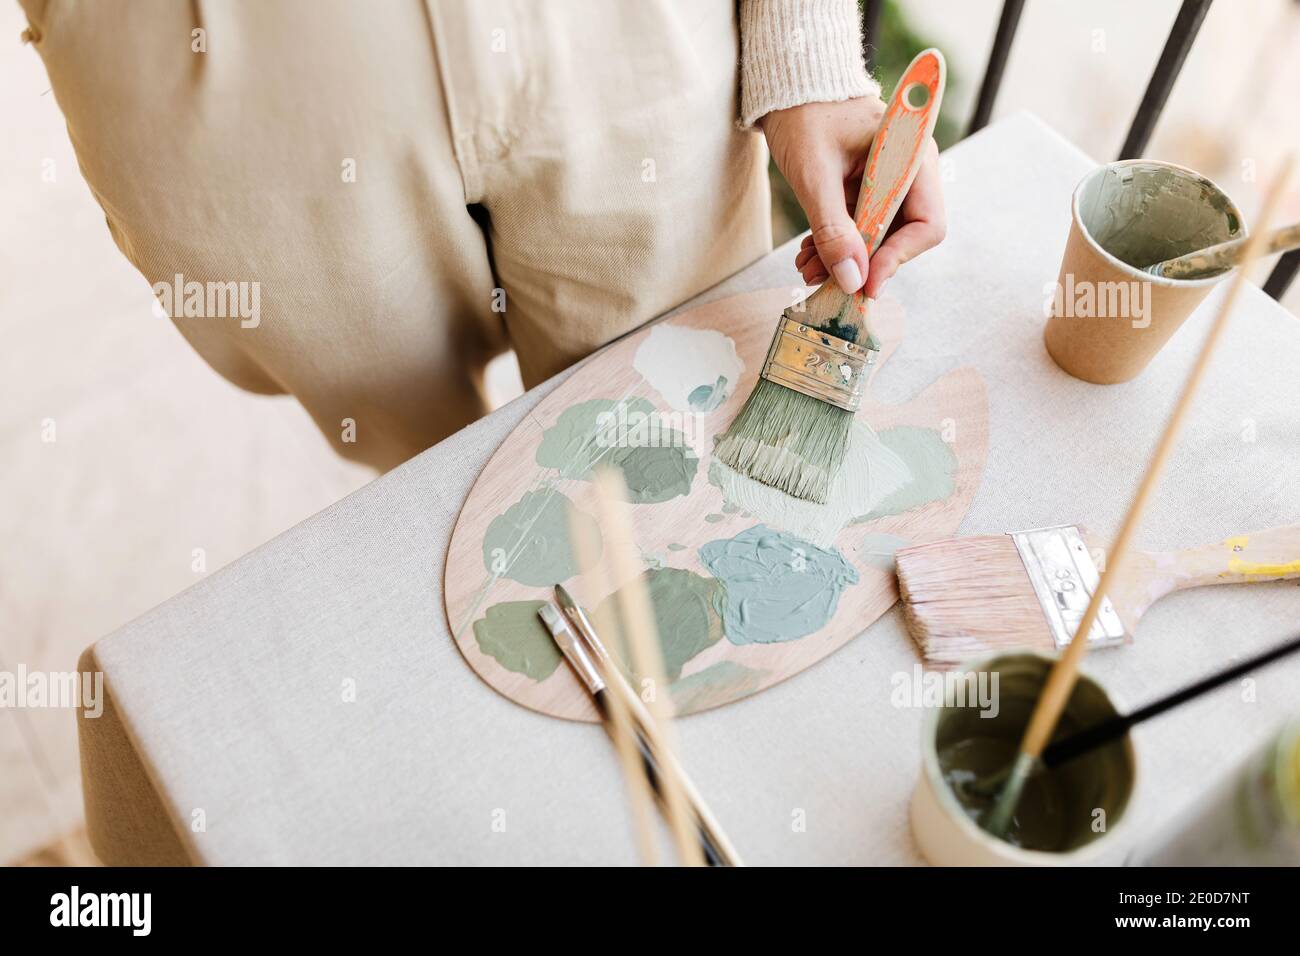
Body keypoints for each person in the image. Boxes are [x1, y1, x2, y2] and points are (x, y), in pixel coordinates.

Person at [20, 0, 943, 470]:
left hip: (624, 44)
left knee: (675, 447)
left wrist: (809, 47)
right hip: (225, 81)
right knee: (432, 501)